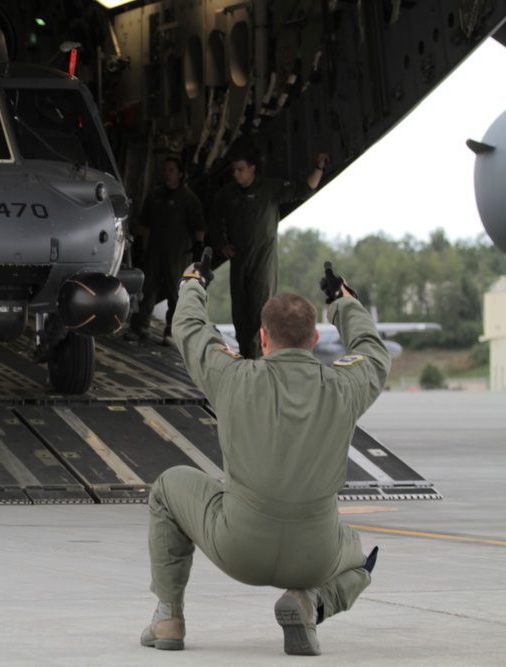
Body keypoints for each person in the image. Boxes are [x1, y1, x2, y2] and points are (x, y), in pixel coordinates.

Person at [139, 257, 390, 656]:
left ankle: (169, 616)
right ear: (314, 340)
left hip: (239, 549)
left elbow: (188, 328)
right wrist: (344, 303)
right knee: (362, 562)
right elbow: (374, 353)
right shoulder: (346, 386)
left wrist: (193, 282)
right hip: (316, 556)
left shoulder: (233, 378)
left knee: (168, 486)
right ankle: (311, 602)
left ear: (263, 338)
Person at [209, 145, 329, 358]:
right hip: (239, 262)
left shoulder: (269, 189)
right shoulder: (227, 194)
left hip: (263, 262)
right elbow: (216, 220)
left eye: (240, 169)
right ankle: (246, 357)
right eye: (233, 170)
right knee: (240, 314)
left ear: (252, 169)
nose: (236, 174)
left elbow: (304, 189)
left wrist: (319, 166)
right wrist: (222, 244)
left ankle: (258, 360)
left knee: (261, 311)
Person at [125, 156, 206, 345]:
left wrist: (198, 248)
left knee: (175, 293)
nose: (167, 174)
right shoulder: (155, 196)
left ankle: (172, 331)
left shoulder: (188, 199)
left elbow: (199, 226)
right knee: (147, 289)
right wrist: (137, 243)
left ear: (180, 174)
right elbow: (144, 222)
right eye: (165, 170)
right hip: (154, 251)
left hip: (177, 255)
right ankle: (139, 327)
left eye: (171, 170)